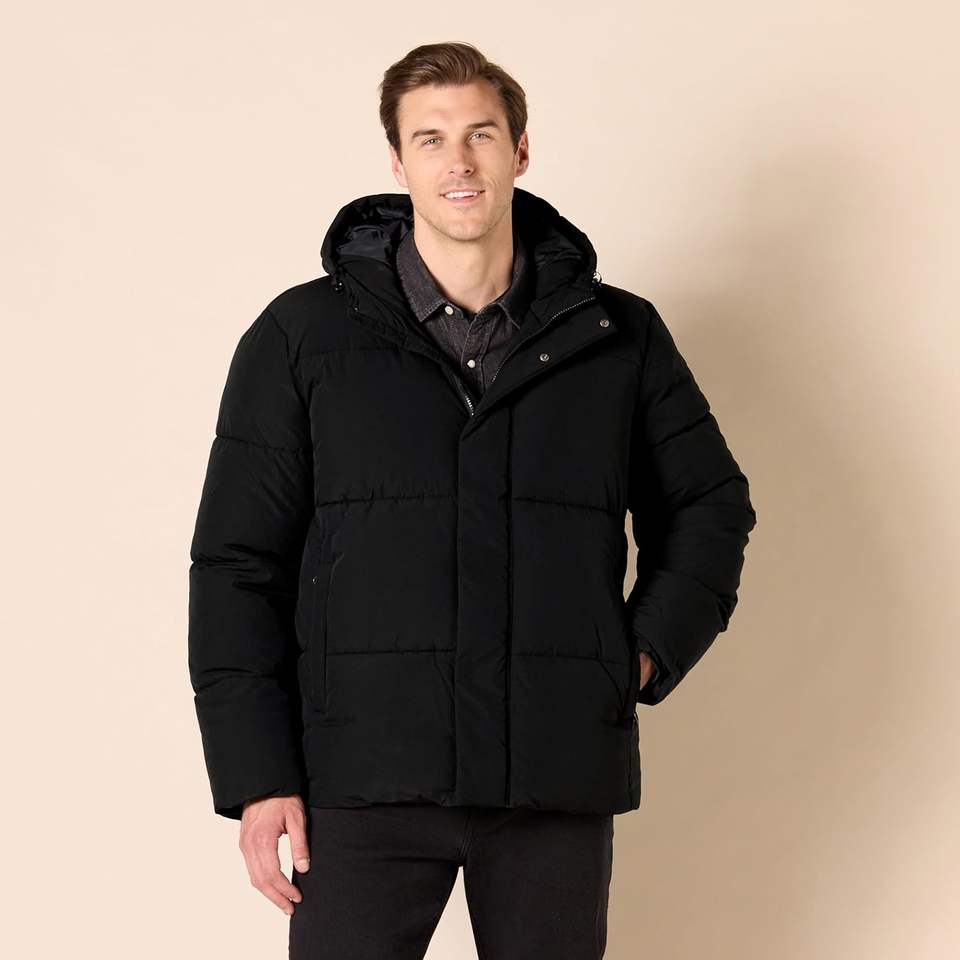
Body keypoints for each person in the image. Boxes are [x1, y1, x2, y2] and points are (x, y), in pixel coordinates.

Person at [187, 41, 757, 960]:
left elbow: (710, 504)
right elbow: (235, 565)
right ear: (398, 162)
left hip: (552, 773)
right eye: (431, 139)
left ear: (520, 150)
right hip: (361, 775)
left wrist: (638, 656)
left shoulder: (618, 335)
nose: (459, 161)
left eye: (481, 134)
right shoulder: (302, 336)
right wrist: (257, 775)